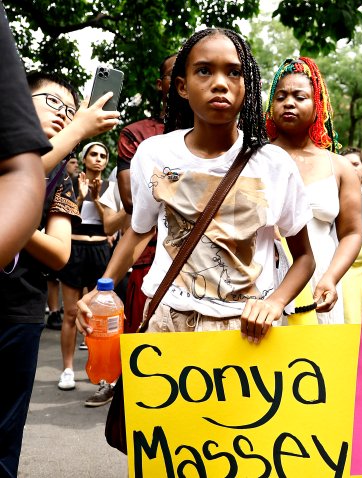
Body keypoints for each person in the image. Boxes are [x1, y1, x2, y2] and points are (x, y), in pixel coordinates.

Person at [76, 27, 314, 348]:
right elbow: (139, 231)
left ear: (248, 86)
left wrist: (273, 303)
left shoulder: (274, 164)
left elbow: (304, 258)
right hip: (166, 320)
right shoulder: (154, 154)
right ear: (182, 87)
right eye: (204, 70)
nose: (220, 82)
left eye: (234, 72)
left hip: (247, 329)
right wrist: (101, 289)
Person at [0, 5, 62, 475]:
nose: (63, 115)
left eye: (70, 111)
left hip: (19, 310)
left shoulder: (66, 174)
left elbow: (60, 253)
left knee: (3, 438)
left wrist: (22, 228)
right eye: (52, 103)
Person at [265, 57, 361, 325]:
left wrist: (331, 277)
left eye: (300, 96)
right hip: (266, 277)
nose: (289, 103)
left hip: (322, 278)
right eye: (280, 96)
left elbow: (352, 233)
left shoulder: (339, 167)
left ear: (317, 105)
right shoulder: (255, 160)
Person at [115, 53, 176, 334]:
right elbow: (132, 203)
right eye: (174, 74)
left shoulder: (227, 137)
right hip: (149, 259)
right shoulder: (138, 135)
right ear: (160, 84)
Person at [56, 142, 117, 392]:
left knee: (99, 316)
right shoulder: (68, 184)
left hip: (101, 249)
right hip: (75, 247)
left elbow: (110, 226)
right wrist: (81, 197)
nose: (99, 159)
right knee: (71, 313)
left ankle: (101, 370)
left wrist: (97, 200)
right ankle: (68, 369)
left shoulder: (111, 188)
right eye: (94, 154)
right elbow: (66, 221)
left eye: (103, 155)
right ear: (84, 159)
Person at [340, 146, 362, 324]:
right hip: (344, 259)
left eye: (355, 164)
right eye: (346, 164)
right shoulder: (333, 195)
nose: (351, 168)